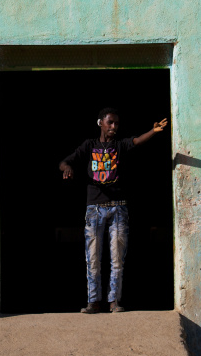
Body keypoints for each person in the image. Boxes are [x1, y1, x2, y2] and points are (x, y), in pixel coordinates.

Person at [59, 107, 168, 314]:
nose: (114, 127)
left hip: (118, 208)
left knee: (117, 258)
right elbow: (64, 162)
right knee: (93, 258)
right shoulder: (89, 146)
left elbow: (136, 141)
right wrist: (67, 169)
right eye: (110, 122)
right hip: (94, 209)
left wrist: (153, 131)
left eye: (116, 123)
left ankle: (114, 302)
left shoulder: (119, 145)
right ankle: (93, 302)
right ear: (100, 122)